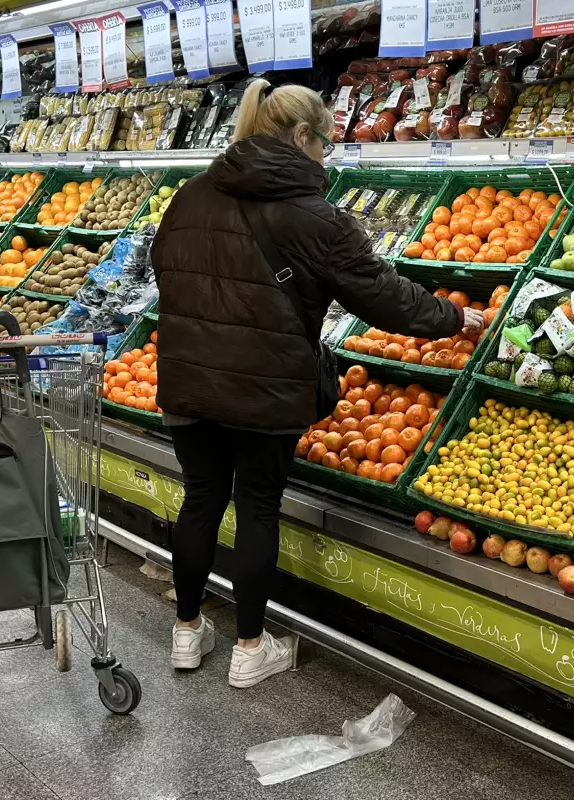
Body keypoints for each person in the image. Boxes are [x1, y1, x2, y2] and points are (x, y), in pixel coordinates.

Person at [151, 79, 482, 688]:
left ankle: (186, 634)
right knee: (255, 507)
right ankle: (250, 650)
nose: (326, 159)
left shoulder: (193, 193)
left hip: (186, 377)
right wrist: (456, 317)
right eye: (325, 146)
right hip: (265, 387)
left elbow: (162, 266)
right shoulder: (312, 213)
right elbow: (382, 296)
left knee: (200, 499)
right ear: (303, 137)